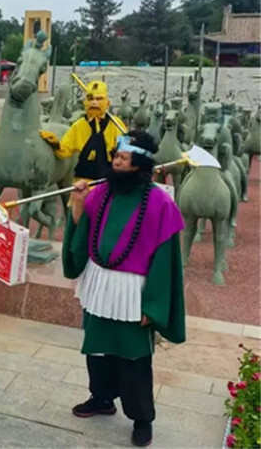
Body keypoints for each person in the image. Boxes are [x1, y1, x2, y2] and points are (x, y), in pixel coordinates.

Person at [61, 131, 186, 447]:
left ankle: (142, 418)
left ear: (140, 164)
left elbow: (166, 259)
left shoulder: (160, 203)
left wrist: (153, 305)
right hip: (99, 282)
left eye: (123, 158)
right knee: (97, 349)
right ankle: (101, 398)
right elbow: (82, 230)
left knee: (134, 357)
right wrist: (78, 204)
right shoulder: (100, 192)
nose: (116, 162)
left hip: (133, 290)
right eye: (115, 156)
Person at [42, 81, 127, 184]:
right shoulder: (79, 125)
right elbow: (64, 151)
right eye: (90, 99)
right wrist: (56, 144)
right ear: (84, 102)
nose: (94, 103)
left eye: (99, 99)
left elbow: (126, 152)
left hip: (108, 181)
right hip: (83, 182)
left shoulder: (116, 124)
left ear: (107, 103)